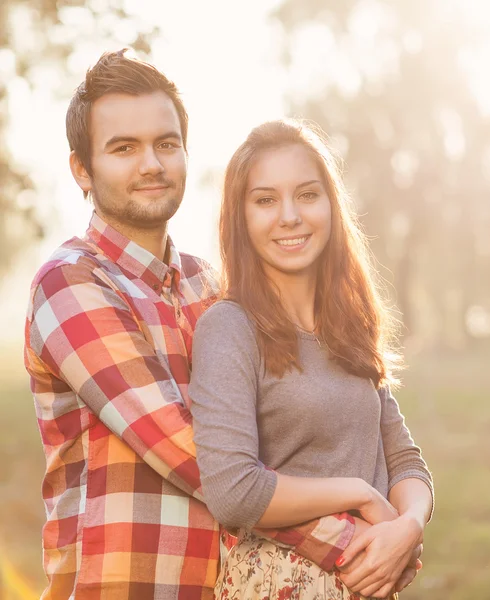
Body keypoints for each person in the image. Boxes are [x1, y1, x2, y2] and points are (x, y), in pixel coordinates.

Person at [23, 50, 391, 600]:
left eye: (166, 144)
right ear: (82, 168)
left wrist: (400, 520)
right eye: (124, 148)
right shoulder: (72, 284)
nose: (151, 163)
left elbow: (277, 431)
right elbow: (200, 459)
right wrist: (362, 543)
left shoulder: (208, 285)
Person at [189, 119, 434, 600]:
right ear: (240, 218)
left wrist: (407, 526)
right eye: (265, 200)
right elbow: (233, 492)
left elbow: (405, 459)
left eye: (306, 194)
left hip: (368, 579)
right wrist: (360, 494)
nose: (289, 216)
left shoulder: (348, 328)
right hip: (279, 583)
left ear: (330, 205)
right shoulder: (230, 328)